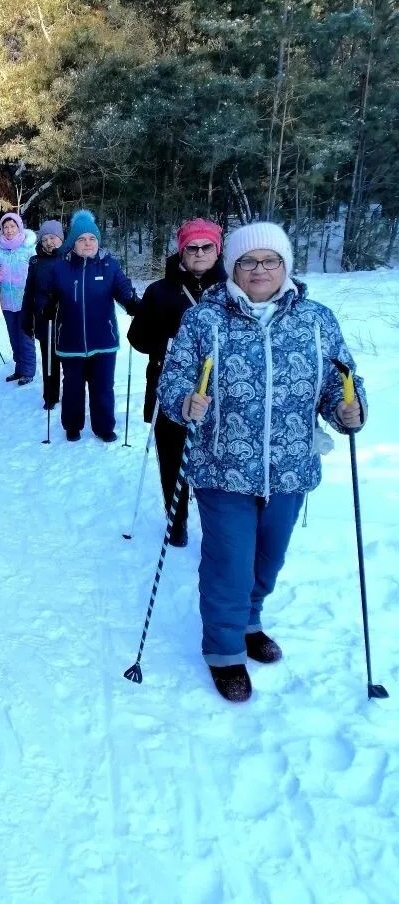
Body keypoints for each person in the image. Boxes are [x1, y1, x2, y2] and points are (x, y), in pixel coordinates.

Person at [157, 222, 366, 703]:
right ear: (231, 267)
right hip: (223, 465)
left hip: (291, 467)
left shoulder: (317, 319)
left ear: (286, 266)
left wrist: (346, 410)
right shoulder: (205, 320)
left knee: (268, 561)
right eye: (248, 261)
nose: (259, 270)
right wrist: (185, 400)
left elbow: (341, 380)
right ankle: (225, 650)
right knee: (229, 562)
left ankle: (249, 621)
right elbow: (175, 380)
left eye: (270, 261)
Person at [127, 218, 226, 547]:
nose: (199, 253)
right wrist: (167, 344)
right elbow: (137, 337)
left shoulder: (233, 290)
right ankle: (177, 519)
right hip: (170, 385)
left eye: (206, 246)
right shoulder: (159, 291)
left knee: (219, 460)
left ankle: (220, 527)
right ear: (181, 251)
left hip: (222, 394)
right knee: (172, 458)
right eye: (191, 247)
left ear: (218, 250)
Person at [46, 209, 138, 442]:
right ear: (73, 243)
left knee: (103, 387)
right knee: (73, 386)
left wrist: (133, 303)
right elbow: (48, 295)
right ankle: (72, 425)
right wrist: (43, 305)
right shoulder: (60, 268)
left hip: (104, 340)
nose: (88, 243)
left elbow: (123, 289)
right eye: (81, 239)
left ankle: (104, 426)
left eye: (92, 239)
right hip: (70, 340)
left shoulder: (109, 266)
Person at [0, 212, 37, 385]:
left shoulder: (28, 248)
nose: (9, 230)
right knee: (13, 337)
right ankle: (20, 369)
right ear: (2, 229)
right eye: (6, 227)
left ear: (19, 228)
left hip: (25, 300)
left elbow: (37, 274)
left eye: (12, 226)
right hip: (7, 302)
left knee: (25, 336)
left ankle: (29, 371)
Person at [21, 219, 64, 410]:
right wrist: (26, 319)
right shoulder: (35, 261)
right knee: (49, 360)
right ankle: (50, 395)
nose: (49, 242)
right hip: (43, 318)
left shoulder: (69, 259)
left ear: (61, 239)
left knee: (69, 361)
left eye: (53, 237)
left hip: (66, 319)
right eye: (45, 238)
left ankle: (72, 394)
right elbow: (29, 291)